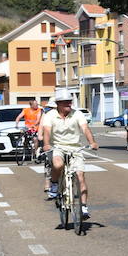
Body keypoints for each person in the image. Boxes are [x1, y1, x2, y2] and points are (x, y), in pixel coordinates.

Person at [40, 88, 99, 218]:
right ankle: (54, 185)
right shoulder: (50, 115)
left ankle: (83, 207)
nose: (68, 104)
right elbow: (47, 131)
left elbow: (85, 128)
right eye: (65, 102)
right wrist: (46, 144)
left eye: (70, 102)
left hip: (75, 148)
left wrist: (92, 142)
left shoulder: (77, 114)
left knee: (80, 176)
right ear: (58, 104)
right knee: (58, 164)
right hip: (58, 147)